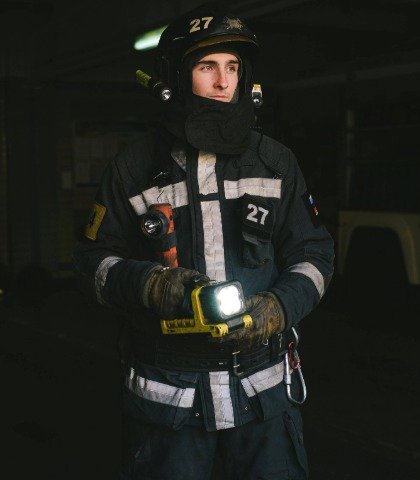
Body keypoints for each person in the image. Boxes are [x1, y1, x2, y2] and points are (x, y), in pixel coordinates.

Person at [73, 3, 334, 479]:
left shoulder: (276, 162)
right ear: (175, 78)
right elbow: (93, 264)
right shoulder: (133, 168)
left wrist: (278, 308)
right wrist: (152, 285)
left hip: (262, 397)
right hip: (168, 401)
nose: (223, 82)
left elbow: (314, 256)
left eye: (232, 67)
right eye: (207, 66)